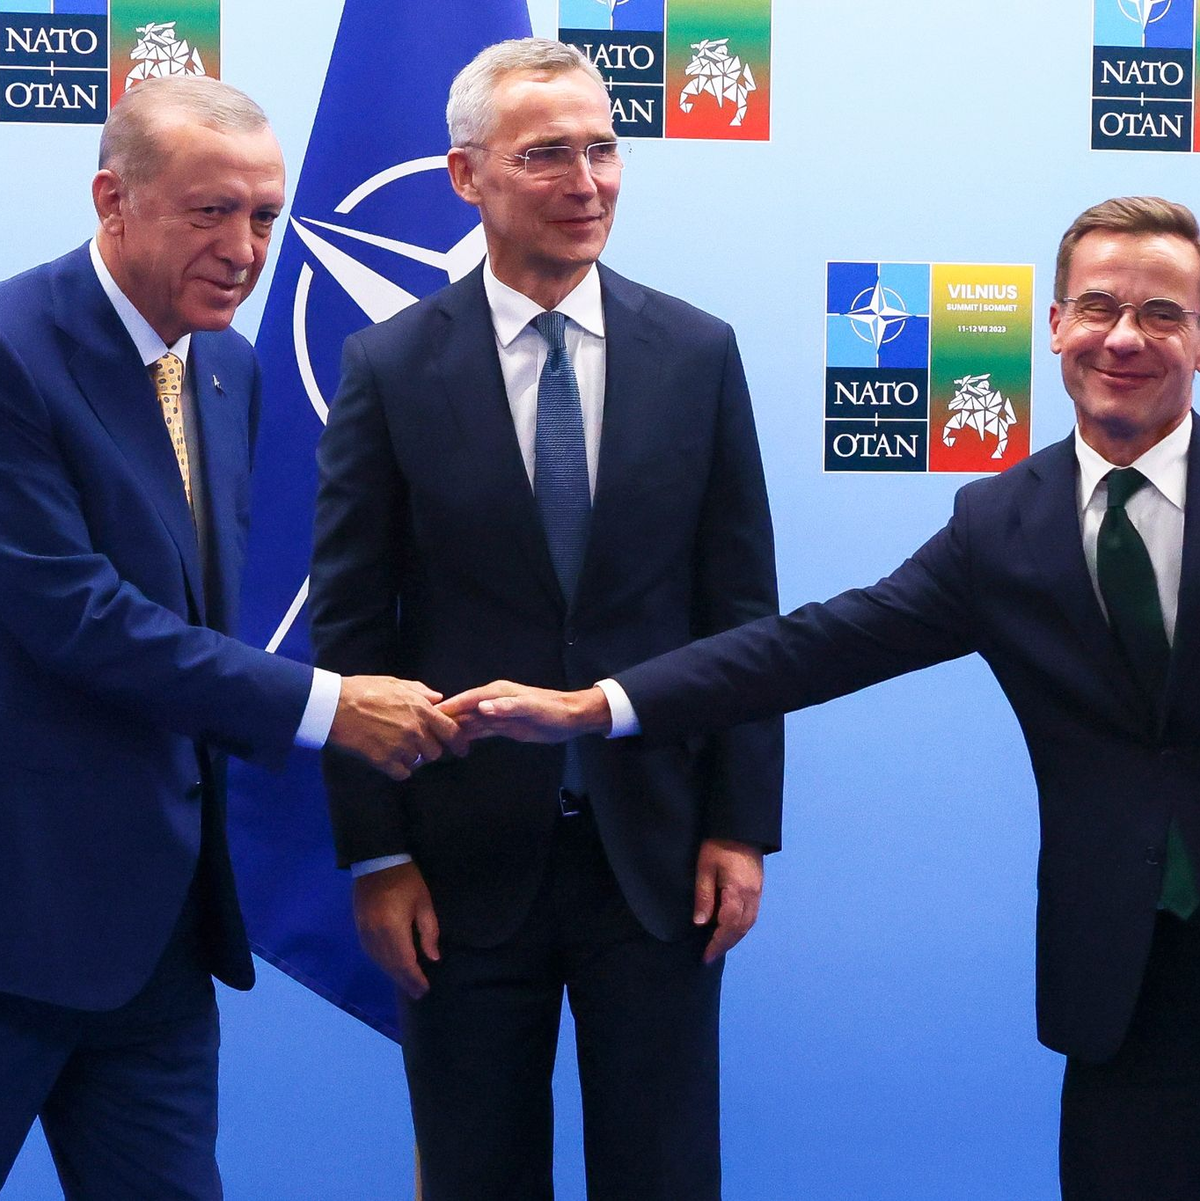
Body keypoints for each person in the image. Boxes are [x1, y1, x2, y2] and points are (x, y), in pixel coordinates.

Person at [448, 195, 1200, 1201]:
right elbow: (813, 647)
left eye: (1163, 314)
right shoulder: (1002, 528)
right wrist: (602, 704)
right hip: (1125, 974)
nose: (1124, 337)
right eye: (1099, 307)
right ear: (1055, 324)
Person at [309, 37, 782, 1201]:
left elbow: (741, 612)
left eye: (604, 148)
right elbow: (353, 632)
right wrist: (377, 852)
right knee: (474, 1174)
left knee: (665, 1173)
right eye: (548, 154)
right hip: (458, 868)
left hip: (659, 858)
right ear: (466, 177)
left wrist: (742, 827)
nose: (588, 182)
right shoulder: (387, 366)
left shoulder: (699, 353)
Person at [0, 75, 463, 1198]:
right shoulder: (11, 349)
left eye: (264, 215)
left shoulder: (228, 364)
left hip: (155, 937)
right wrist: (328, 706)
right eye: (210, 211)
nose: (246, 247)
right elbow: (75, 613)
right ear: (112, 200)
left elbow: (197, 613)